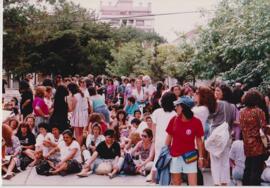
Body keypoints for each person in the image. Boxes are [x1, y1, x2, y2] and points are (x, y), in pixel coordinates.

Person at [165, 96, 204, 185]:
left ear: (183, 107)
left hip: (190, 156)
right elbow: (169, 137)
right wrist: (164, 153)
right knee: (176, 183)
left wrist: (201, 157)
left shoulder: (196, 122)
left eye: (177, 106)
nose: (175, 108)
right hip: (175, 156)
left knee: (193, 184)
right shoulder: (174, 120)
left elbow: (199, 140)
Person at [208, 84, 237, 186]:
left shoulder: (218, 103)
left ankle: (217, 183)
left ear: (223, 93)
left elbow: (210, 116)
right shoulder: (233, 106)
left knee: (215, 161)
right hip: (227, 136)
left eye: (218, 91)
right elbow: (233, 121)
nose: (216, 93)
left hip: (216, 135)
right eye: (215, 91)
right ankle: (224, 183)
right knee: (225, 161)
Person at [240, 89, 268, 185]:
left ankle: (245, 184)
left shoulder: (242, 111)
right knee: (256, 169)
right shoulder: (259, 111)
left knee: (248, 166)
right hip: (257, 144)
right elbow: (263, 127)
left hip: (246, 143)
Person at [150, 92, 177, 182]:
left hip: (158, 140)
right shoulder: (175, 114)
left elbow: (154, 127)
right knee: (170, 161)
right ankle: (169, 180)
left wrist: (154, 139)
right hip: (170, 140)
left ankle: (154, 179)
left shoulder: (157, 112)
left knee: (157, 159)